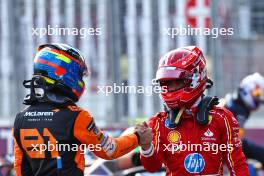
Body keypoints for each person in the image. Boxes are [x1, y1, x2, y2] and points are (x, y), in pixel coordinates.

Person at [13, 43, 153, 176]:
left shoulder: (20, 118)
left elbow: (20, 168)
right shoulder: (76, 116)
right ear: (65, 74)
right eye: (79, 75)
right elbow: (110, 150)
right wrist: (137, 137)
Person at [140, 46, 250, 175]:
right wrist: (146, 146)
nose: (171, 88)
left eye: (177, 81)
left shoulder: (221, 118)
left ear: (196, 78)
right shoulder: (158, 123)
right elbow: (152, 167)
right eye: (167, 83)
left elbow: (237, 165)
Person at [220, 73, 264, 166]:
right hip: (219, 149)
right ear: (247, 89)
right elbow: (235, 143)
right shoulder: (237, 109)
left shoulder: (232, 103)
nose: (258, 97)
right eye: (257, 92)